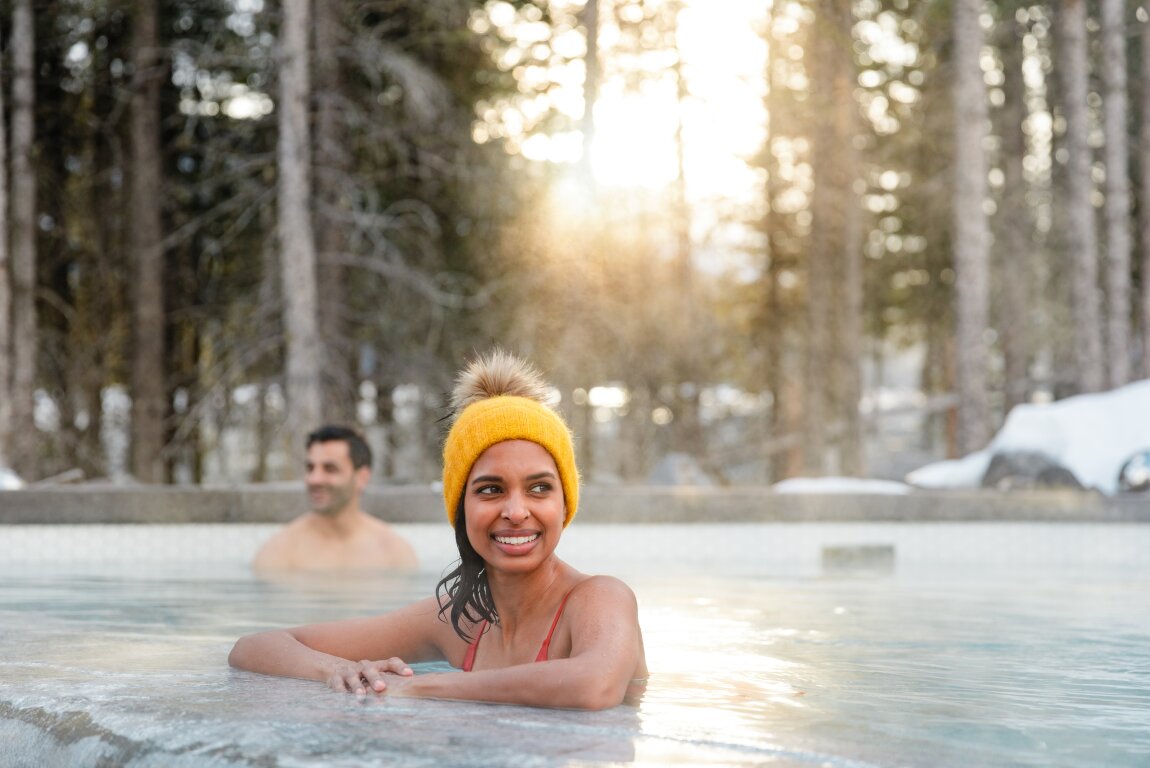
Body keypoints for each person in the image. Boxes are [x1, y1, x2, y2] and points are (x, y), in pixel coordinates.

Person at [230, 350, 647, 709]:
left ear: (565, 502)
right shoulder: (458, 620)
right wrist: (337, 669)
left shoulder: (599, 598)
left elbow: (595, 685)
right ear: (460, 506)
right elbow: (254, 647)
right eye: (490, 489)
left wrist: (422, 687)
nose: (517, 511)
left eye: (539, 488)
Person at [251, 425, 418, 572]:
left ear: (362, 477)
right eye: (310, 468)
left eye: (330, 469)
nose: (314, 479)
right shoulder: (279, 553)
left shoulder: (393, 552)